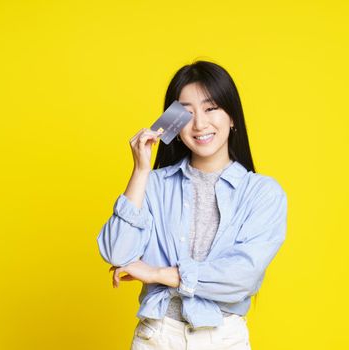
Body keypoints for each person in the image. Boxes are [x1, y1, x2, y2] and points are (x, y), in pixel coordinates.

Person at [97, 60, 288, 350]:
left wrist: (158, 274)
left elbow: (242, 276)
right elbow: (117, 253)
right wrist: (140, 171)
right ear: (174, 123)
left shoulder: (262, 193)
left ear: (232, 117)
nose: (199, 123)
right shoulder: (154, 185)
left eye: (211, 109)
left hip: (224, 339)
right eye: (186, 113)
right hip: (156, 337)